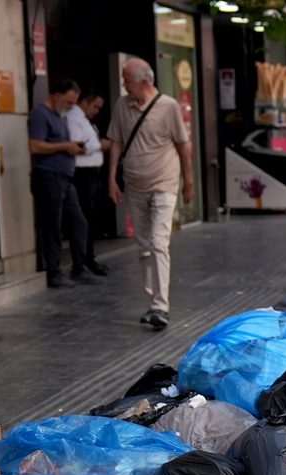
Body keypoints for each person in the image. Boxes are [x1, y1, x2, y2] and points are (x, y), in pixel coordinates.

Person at [107, 58, 192, 331]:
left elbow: (182, 145)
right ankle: (152, 299)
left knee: (157, 242)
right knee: (144, 247)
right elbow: (117, 141)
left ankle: (160, 305)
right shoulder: (122, 105)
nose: (123, 84)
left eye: (126, 79)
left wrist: (188, 181)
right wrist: (112, 178)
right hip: (134, 186)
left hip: (164, 184)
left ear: (143, 81)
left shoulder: (168, 107)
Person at [29, 79, 94, 289]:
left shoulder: (60, 116)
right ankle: (53, 272)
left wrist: (74, 147)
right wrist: (66, 146)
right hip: (49, 176)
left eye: (74, 103)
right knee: (52, 225)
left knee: (78, 222)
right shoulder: (40, 115)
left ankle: (78, 267)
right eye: (68, 102)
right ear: (56, 95)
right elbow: (35, 146)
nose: (71, 107)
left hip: (64, 177)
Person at [66, 88, 112, 276]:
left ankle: (88, 258)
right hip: (82, 174)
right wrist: (100, 145)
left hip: (92, 174)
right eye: (95, 106)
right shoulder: (74, 118)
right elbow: (76, 145)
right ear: (84, 102)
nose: (96, 111)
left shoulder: (86, 121)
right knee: (84, 219)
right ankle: (82, 260)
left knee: (91, 219)